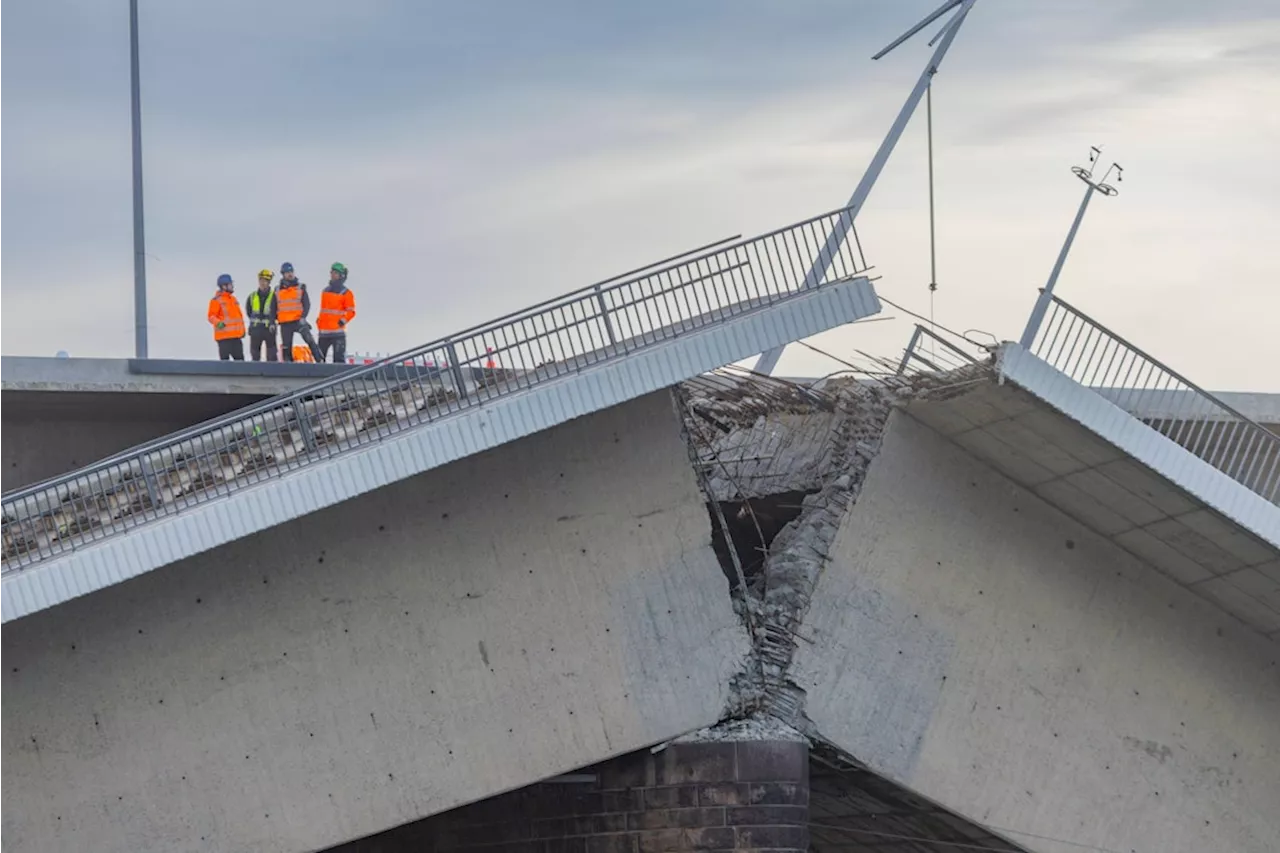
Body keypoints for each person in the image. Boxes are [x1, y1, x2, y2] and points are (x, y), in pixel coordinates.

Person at [275, 262, 321, 362]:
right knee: (286, 346)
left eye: (291, 271)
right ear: (283, 274)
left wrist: (303, 317)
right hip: (285, 322)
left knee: (309, 339)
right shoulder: (277, 290)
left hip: (298, 320)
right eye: (287, 272)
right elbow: (273, 307)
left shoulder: (300, 287)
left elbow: (306, 304)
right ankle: (288, 365)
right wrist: (272, 321)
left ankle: (319, 359)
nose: (290, 274)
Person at [316, 262, 357, 363]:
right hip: (323, 333)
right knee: (319, 360)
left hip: (337, 333)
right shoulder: (325, 291)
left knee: (338, 362)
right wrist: (319, 322)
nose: (333, 275)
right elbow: (323, 310)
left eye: (335, 273)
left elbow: (351, 311)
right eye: (332, 272)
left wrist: (343, 320)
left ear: (341, 275)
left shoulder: (346, 293)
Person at [208, 274, 245, 360]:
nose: (232, 286)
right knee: (225, 364)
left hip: (236, 337)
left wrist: (242, 331)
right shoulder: (216, 300)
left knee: (241, 364)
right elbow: (211, 316)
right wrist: (218, 323)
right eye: (230, 284)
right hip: (224, 338)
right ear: (224, 286)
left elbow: (238, 317)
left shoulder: (233, 299)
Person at [245, 269, 278, 361]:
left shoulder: (274, 296)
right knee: (255, 355)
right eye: (261, 280)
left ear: (269, 282)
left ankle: (271, 373)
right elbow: (249, 311)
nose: (263, 283)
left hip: (269, 330)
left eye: (265, 281)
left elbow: (277, 312)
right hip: (255, 330)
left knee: (272, 356)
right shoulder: (252, 296)